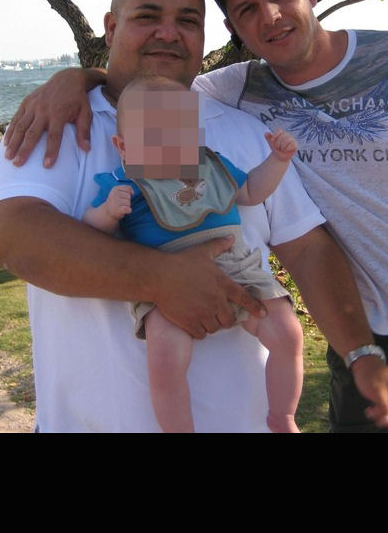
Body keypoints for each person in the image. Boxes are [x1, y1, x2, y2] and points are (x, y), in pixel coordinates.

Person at [6, 0, 388, 433]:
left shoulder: (387, 63)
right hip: (357, 335)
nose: (271, 16)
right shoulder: (84, 120)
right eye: (246, 10)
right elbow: (20, 236)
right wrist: (77, 79)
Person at [0, 0, 388, 432]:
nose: (169, 33)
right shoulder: (55, 122)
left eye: (188, 21)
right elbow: (16, 238)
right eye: (148, 16)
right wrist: (161, 279)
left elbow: (309, 249)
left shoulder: (244, 129)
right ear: (111, 27)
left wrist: (362, 352)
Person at [84, 75, 304, 432]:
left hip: (239, 267)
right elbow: (91, 232)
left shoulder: (212, 168)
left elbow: (251, 190)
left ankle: (282, 416)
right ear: (123, 146)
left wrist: (278, 161)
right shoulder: (123, 184)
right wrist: (107, 213)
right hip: (166, 282)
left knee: (288, 332)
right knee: (165, 363)